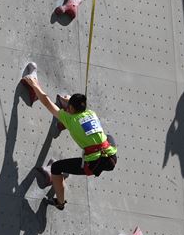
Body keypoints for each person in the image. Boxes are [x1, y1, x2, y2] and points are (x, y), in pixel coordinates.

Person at [22, 72, 117, 210]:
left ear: (70, 108)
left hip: (94, 163)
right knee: (106, 136)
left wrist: (34, 84)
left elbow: (47, 102)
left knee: (56, 168)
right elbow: (75, 111)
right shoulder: (91, 113)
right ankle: (63, 121)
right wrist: (68, 102)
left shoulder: (70, 120)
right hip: (111, 153)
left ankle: (60, 203)